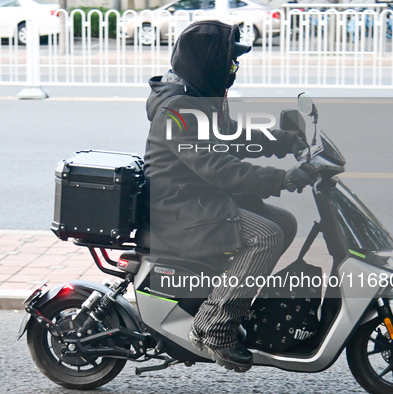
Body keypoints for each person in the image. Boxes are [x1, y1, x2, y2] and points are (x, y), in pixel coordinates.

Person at [142, 20, 312, 372]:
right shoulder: (178, 109)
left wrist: (285, 139)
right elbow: (218, 167)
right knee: (266, 236)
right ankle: (214, 326)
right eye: (230, 60)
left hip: (200, 198)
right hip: (181, 208)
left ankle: (235, 296)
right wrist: (282, 178)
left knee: (285, 221)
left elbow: (234, 135)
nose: (234, 67)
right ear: (208, 62)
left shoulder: (199, 97)